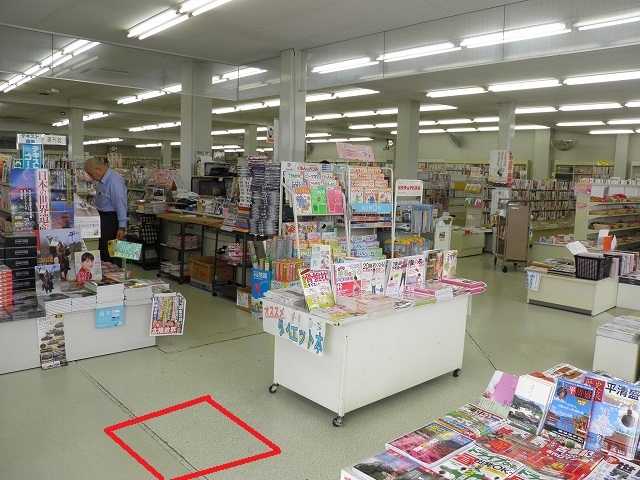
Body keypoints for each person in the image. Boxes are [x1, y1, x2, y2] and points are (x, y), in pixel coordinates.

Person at [84, 157, 128, 267]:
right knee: (103, 253)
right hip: (103, 219)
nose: (91, 177)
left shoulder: (114, 180)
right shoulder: (102, 181)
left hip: (111, 221)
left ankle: (117, 275)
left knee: (113, 255)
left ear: (98, 169)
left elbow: (120, 204)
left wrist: (121, 227)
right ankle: (105, 276)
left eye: (90, 174)